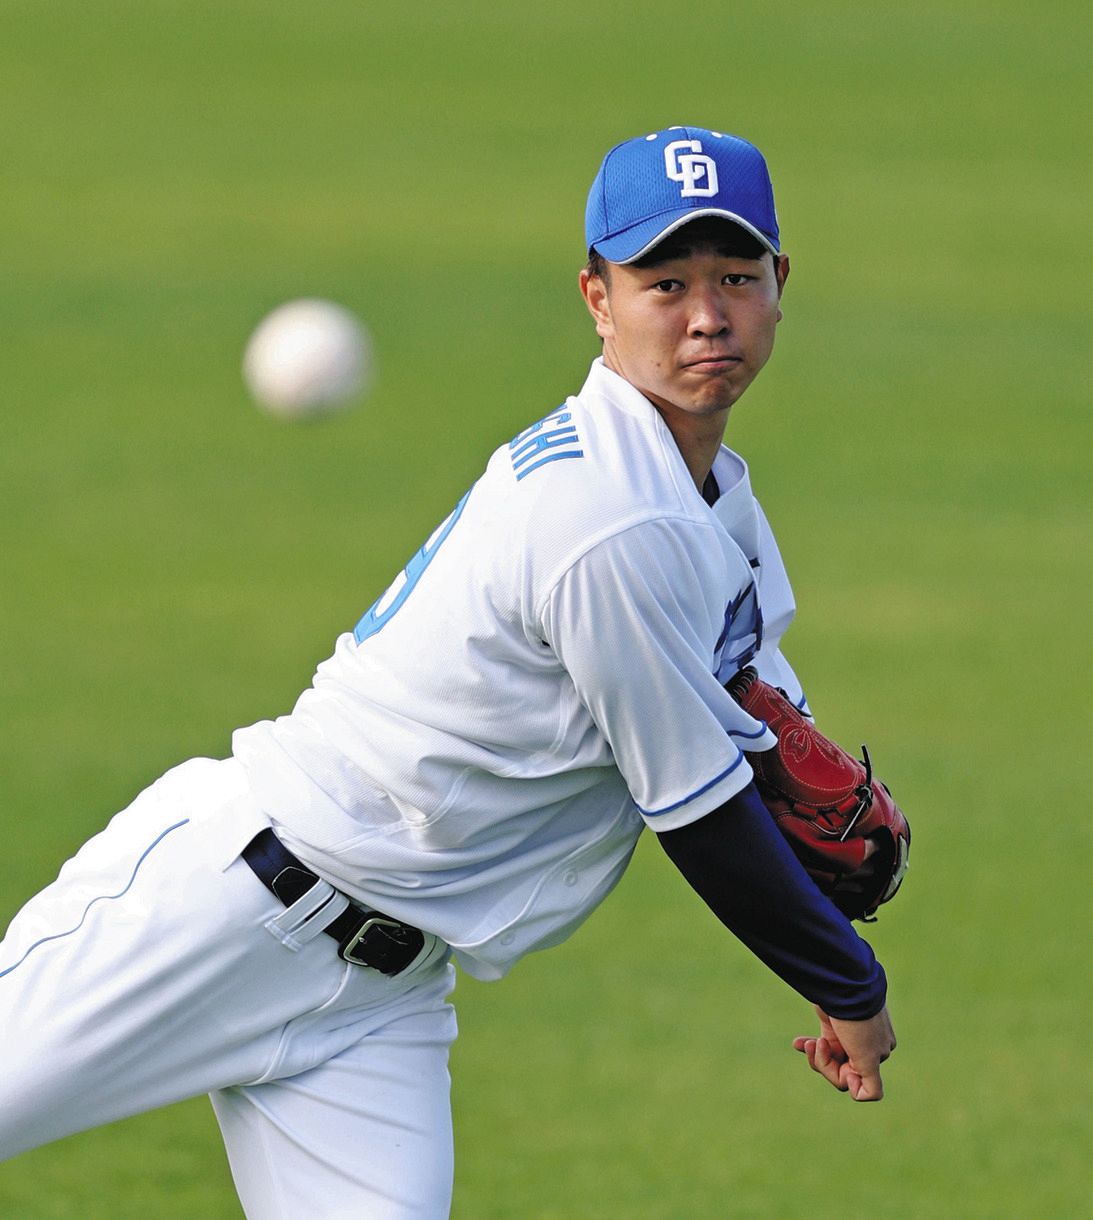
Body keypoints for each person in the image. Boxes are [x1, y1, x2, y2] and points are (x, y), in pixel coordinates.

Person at [0, 126, 896, 1218]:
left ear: (778, 284)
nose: (706, 313)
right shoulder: (606, 516)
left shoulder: (708, 499)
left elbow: (748, 689)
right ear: (597, 298)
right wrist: (845, 979)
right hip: (219, 909)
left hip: (375, 1001)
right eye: (664, 281)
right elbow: (698, 807)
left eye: (734, 277)